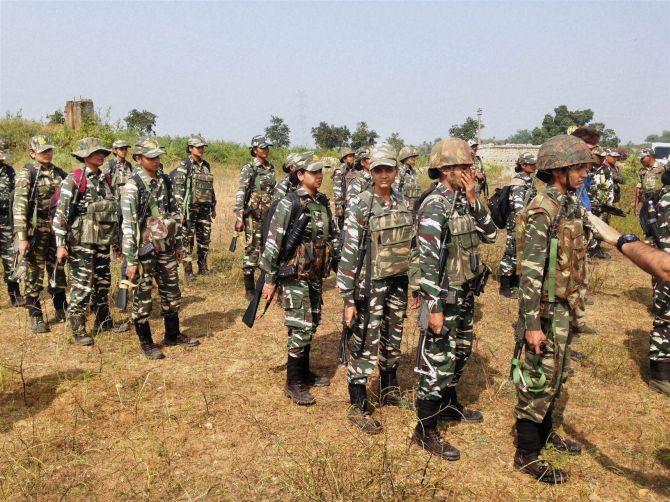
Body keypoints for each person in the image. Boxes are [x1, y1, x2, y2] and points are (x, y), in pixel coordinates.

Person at [513, 134, 594, 484]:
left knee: (557, 374)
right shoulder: (542, 210)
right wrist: (532, 323)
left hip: (564, 306)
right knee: (537, 378)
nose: (585, 174)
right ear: (558, 170)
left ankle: (545, 434)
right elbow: (530, 273)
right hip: (544, 311)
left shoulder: (569, 204)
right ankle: (527, 453)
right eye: (579, 167)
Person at [412, 138, 497, 460]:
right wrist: (433, 308)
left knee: (461, 352)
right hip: (443, 298)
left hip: (465, 294)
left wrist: (474, 199)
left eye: (469, 166)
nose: (469, 171)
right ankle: (425, 429)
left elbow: (490, 235)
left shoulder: (464, 200)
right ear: (445, 169)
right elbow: (428, 261)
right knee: (436, 363)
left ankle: (448, 405)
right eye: (463, 167)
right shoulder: (435, 205)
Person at [338, 144, 414, 433]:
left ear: (396, 171)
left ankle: (389, 389)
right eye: (378, 169)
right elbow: (349, 252)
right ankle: (357, 404)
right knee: (364, 341)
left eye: (389, 169)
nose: (384, 175)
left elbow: (412, 244)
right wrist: (348, 298)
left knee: (393, 336)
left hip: (397, 282)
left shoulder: (403, 200)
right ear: (370, 171)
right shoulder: (362, 203)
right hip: (369, 285)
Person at [259, 160, 337, 405]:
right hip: (294, 275)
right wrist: (270, 280)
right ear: (300, 175)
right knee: (300, 326)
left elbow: (332, 235)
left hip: (314, 275)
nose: (319, 176)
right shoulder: (289, 203)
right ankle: (293, 383)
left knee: (311, 323)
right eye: (313, 172)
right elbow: (273, 244)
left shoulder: (323, 202)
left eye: (320, 172)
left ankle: (304, 373)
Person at [121, 137, 199, 359]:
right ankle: (146, 343)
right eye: (150, 157)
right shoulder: (132, 186)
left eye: (158, 156)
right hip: (143, 251)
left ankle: (172, 334)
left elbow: (175, 214)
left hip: (166, 248)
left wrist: (179, 243)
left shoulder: (165, 180)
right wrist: (131, 260)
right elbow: (128, 225)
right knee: (143, 296)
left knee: (171, 293)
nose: (156, 160)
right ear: (138, 159)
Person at [53, 137, 128, 345]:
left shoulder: (105, 179)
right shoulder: (73, 180)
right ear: (84, 155)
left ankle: (103, 321)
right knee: (82, 284)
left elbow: (112, 212)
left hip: (102, 241)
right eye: (96, 152)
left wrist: (117, 242)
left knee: (103, 282)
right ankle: (77, 328)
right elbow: (61, 215)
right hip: (81, 244)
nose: (101, 155)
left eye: (103, 152)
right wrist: (60, 244)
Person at [13, 135, 68, 332]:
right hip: (35, 232)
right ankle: (35, 315)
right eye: (42, 150)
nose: (47, 153)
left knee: (57, 270)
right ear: (32, 153)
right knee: (33, 273)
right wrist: (22, 238)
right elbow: (19, 206)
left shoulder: (60, 173)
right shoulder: (26, 174)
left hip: (55, 231)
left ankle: (62, 309)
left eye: (49, 149)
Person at [234, 136, 276, 300]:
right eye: (263, 147)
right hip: (253, 216)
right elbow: (241, 192)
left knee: (268, 248)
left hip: (268, 215)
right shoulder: (249, 168)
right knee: (252, 248)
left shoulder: (271, 168)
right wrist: (239, 217)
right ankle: (249, 289)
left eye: (267, 147)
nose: (266, 150)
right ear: (255, 149)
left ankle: (265, 284)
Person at [172, 134, 217, 279]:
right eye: (198, 147)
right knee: (187, 240)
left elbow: (210, 187)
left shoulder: (206, 165)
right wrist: (180, 210)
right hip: (189, 209)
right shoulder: (185, 165)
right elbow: (179, 188)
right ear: (190, 148)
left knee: (204, 239)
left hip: (204, 209)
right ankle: (188, 272)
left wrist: (213, 205)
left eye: (202, 147)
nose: (201, 149)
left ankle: (203, 267)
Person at [499, 153, 537, 298]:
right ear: (524, 165)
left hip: (524, 221)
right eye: (532, 164)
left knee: (519, 252)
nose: (534, 166)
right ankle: (505, 286)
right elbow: (518, 206)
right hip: (517, 222)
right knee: (511, 253)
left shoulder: (528, 180)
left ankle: (515, 281)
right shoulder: (519, 183)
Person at [0, 140, 24, 307]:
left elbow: (16, 195)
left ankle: (14, 295)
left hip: (7, 222)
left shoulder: (8, 171)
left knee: (11, 259)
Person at [588, 148, 614, 259]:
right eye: (599, 156)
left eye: (603, 157)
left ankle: (596, 248)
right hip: (588, 202)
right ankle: (589, 247)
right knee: (588, 226)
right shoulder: (588, 168)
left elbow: (610, 187)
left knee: (600, 226)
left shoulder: (606, 170)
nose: (602, 158)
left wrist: (609, 204)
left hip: (602, 204)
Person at [332, 146, 357, 231]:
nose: (352, 158)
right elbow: (336, 189)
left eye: (353, 156)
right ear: (344, 159)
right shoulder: (340, 171)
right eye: (350, 156)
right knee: (343, 228)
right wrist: (339, 206)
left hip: (354, 203)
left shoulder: (355, 171)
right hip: (343, 204)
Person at [635, 148, 664, 215]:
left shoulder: (662, 167)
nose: (641, 160)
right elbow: (638, 188)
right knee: (647, 222)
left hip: (660, 202)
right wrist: (636, 206)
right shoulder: (641, 171)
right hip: (646, 203)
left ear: (650, 156)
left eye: (642, 158)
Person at [395, 146, 422, 217]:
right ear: (404, 158)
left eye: (415, 156)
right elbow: (395, 192)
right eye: (411, 156)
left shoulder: (414, 172)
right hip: (405, 211)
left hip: (416, 209)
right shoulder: (400, 172)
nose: (414, 158)